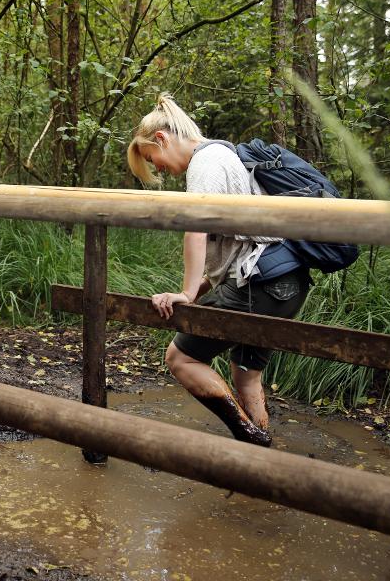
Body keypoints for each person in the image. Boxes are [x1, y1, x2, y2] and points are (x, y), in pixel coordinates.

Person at [126, 94, 311, 448]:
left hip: (262, 284)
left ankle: (252, 438)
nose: (159, 169)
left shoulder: (205, 163)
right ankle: (262, 459)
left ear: (162, 139)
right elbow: (232, 249)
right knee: (245, 375)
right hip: (287, 280)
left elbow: (195, 229)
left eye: (153, 159)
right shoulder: (223, 155)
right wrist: (198, 290)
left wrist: (186, 292)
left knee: (180, 358)